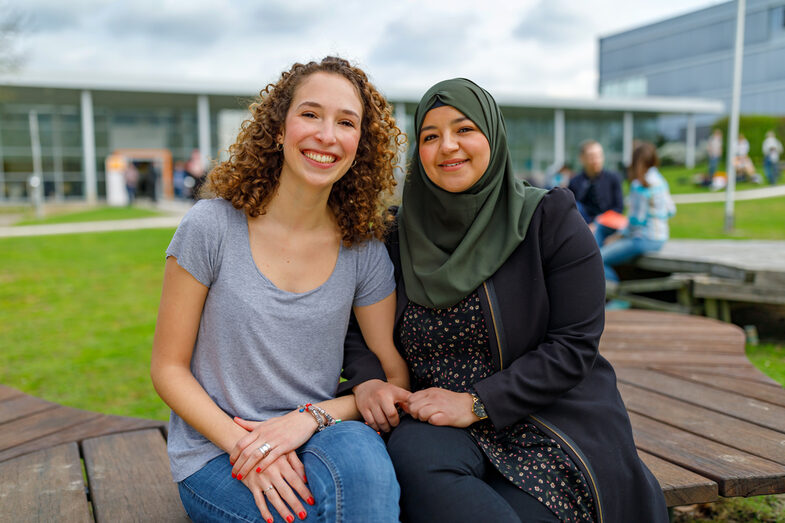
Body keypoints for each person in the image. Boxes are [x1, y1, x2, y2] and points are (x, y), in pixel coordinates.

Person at [353, 79, 669, 522]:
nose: (448, 146)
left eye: (464, 129)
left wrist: (477, 402)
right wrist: (368, 380)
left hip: (546, 419)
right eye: (430, 136)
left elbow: (574, 345)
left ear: (493, 136)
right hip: (434, 416)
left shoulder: (549, 220)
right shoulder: (395, 236)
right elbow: (353, 325)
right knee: (413, 463)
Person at [151, 56, 409, 523]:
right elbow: (168, 369)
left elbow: (394, 379)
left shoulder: (363, 249)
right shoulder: (211, 226)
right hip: (217, 448)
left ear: (360, 146)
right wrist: (250, 447)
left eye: (345, 122)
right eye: (310, 114)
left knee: (370, 489)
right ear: (278, 128)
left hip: (323, 429)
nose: (326, 135)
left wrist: (307, 419)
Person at [600, 142, 676, 286]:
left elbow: (636, 221)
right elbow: (671, 210)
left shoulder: (639, 185)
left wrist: (617, 236)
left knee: (598, 259)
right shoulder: (660, 180)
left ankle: (618, 294)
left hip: (643, 239)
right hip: (660, 238)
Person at [567, 140, 624, 246]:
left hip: (607, 224)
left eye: (599, 155)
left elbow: (619, 208)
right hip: (583, 223)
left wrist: (597, 223)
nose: (596, 160)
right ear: (582, 159)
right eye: (591, 156)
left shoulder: (613, 178)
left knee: (592, 238)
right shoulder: (575, 181)